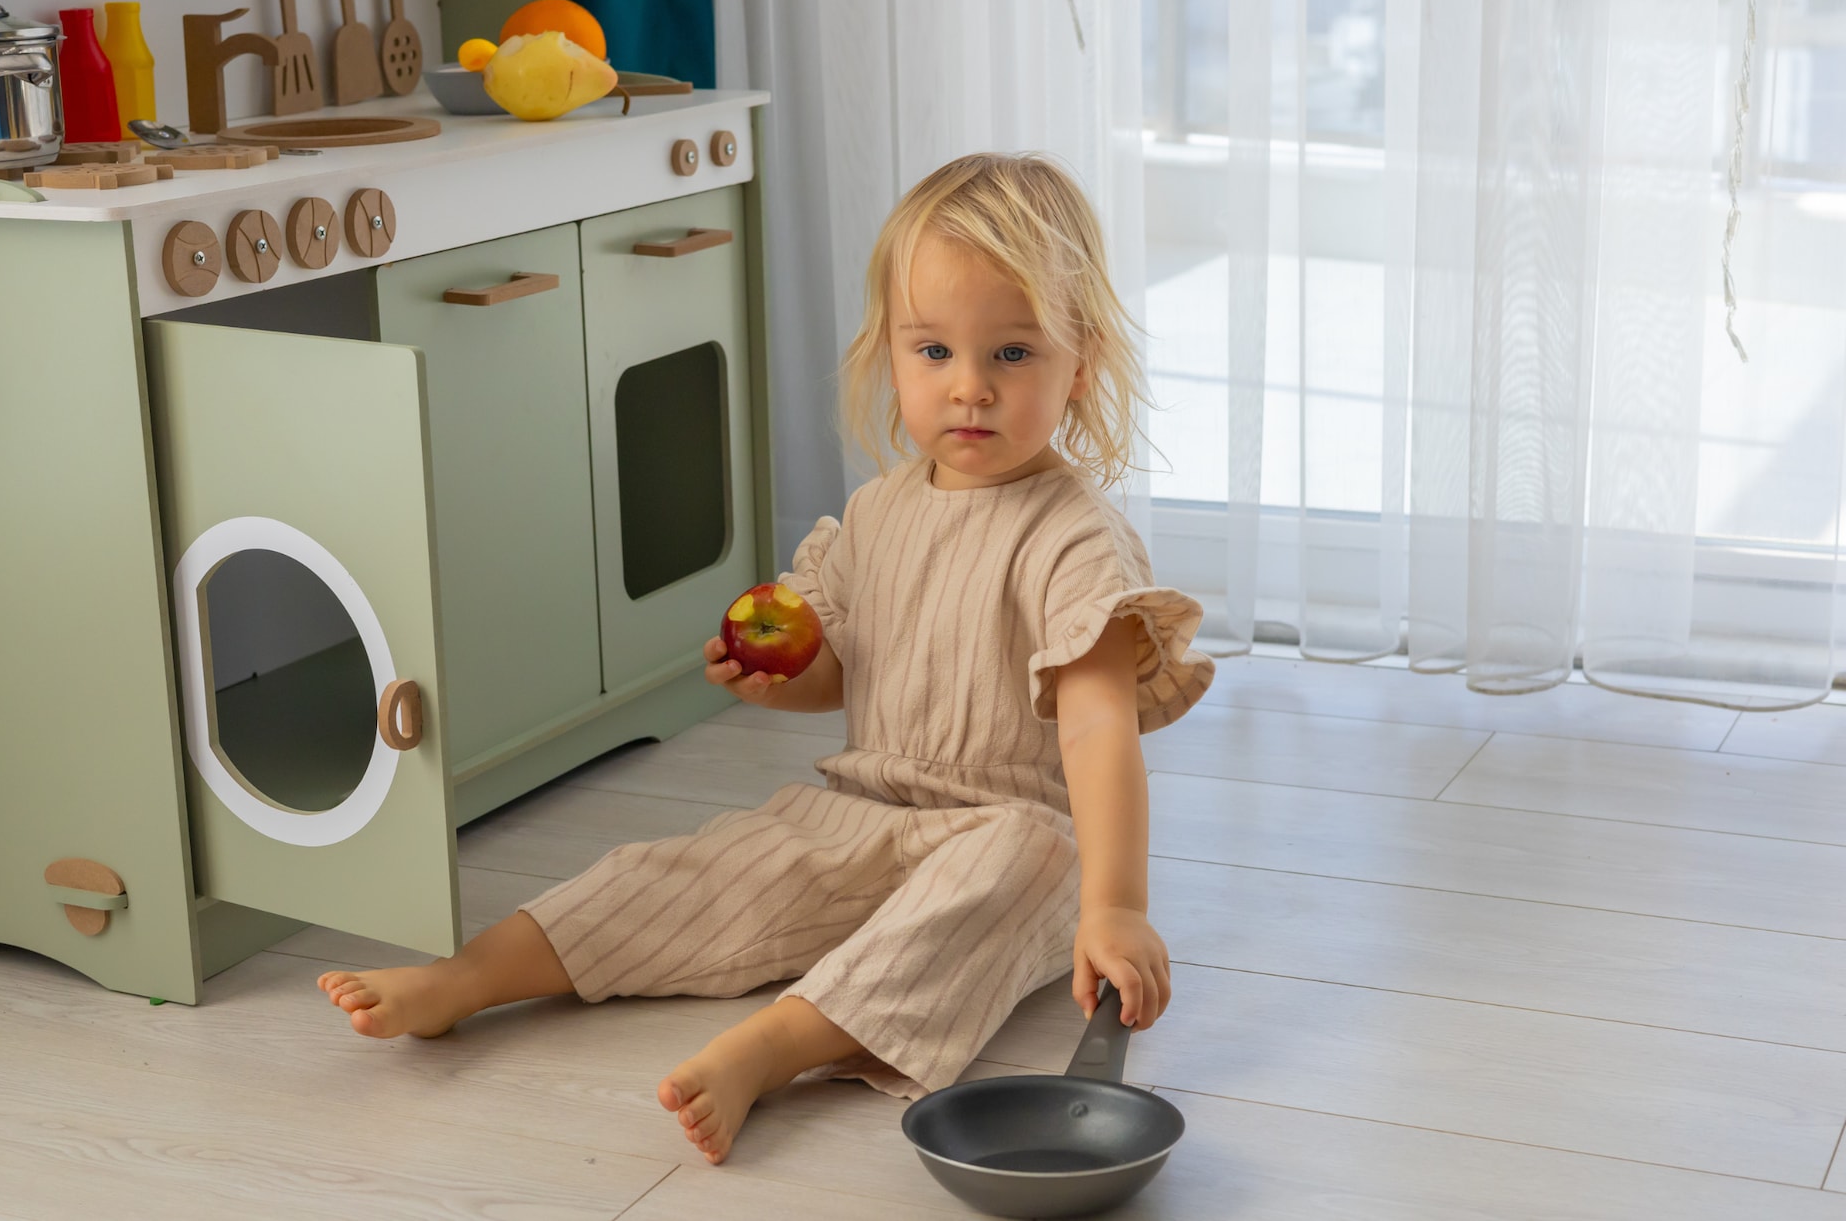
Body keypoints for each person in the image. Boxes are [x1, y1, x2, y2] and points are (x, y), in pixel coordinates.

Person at [317, 151, 1214, 1165]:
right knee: (697, 870)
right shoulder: (875, 516)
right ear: (889, 354)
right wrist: (786, 675)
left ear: (1078, 364)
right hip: (860, 810)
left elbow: (1097, 724)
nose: (968, 388)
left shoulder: (1071, 537)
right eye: (932, 352)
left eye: (1010, 354)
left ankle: (772, 1045)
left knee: (1022, 860)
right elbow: (847, 671)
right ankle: (472, 975)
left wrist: (1115, 906)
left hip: (1006, 831)